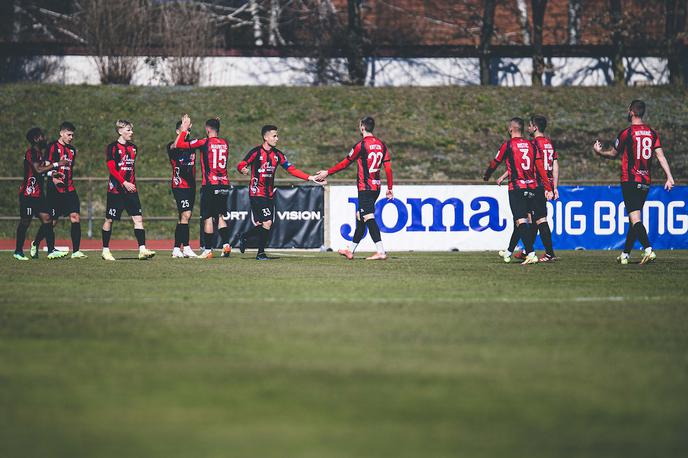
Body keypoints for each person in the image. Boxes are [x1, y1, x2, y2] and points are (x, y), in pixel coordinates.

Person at [593, 99, 674, 265]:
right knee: (633, 218)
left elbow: (614, 153)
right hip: (645, 181)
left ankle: (648, 249)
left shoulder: (627, 133)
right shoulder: (652, 133)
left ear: (631, 111)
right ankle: (625, 254)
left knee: (635, 218)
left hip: (630, 180)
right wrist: (670, 177)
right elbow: (660, 156)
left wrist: (599, 152)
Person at [236, 125, 325, 260]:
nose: (277, 138)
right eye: (274, 136)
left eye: (277, 136)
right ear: (266, 137)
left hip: (269, 194)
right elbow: (241, 164)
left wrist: (310, 177)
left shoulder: (278, 155)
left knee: (266, 224)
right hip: (256, 192)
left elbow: (292, 170)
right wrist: (242, 169)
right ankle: (260, 254)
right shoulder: (256, 152)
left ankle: (244, 236)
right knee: (267, 222)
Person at [315, 117, 393, 261]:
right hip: (376, 187)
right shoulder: (382, 145)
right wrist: (389, 188)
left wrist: (328, 172)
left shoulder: (361, 145)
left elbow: (345, 163)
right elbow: (388, 168)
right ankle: (350, 250)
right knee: (360, 216)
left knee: (368, 216)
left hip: (365, 187)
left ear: (362, 127)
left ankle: (381, 251)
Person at [483, 117, 553, 265]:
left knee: (520, 220)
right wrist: (548, 187)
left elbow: (495, 162)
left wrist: (487, 175)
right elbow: (540, 168)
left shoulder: (508, 145)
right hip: (532, 187)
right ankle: (509, 251)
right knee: (523, 221)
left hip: (516, 188)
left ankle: (531, 253)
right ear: (521, 129)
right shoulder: (531, 145)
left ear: (511, 129)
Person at [175, 114, 231, 259]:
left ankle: (207, 250)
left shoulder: (204, 142)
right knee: (219, 216)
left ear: (207, 129)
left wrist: (184, 129)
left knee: (207, 218)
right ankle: (226, 245)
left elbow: (180, 144)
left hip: (210, 184)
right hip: (224, 184)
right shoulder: (225, 143)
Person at [101, 120, 156, 261]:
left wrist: (129, 184)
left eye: (131, 130)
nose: (131, 133)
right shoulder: (112, 148)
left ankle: (142, 249)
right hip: (116, 191)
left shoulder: (133, 148)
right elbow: (112, 169)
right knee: (110, 219)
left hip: (131, 190)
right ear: (120, 131)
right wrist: (124, 182)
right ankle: (105, 250)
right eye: (128, 130)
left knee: (138, 219)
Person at [31, 122, 87, 259]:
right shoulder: (52, 147)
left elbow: (69, 169)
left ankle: (76, 251)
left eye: (72, 135)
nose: (71, 137)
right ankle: (36, 243)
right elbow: (45, 167)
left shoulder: (72, 150)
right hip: (54, 190)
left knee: (75, 217)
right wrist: (53, 177)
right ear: (61, 133)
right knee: (52, 221)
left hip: (70, 189)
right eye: (69, 134)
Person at [14, 127, 68, 260]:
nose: (45, 138)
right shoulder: (31, 152)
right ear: (36, 139)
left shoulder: (40, 155)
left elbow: (42, 170)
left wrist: (52, 173)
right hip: (28, 194)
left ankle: (51, 250)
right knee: (25, 222)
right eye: (42, 136)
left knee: (48, 219)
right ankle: (18, 251)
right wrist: (56, 164)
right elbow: (38, 170)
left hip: (38, 195)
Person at [167, 120, 198, 258]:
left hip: (191, 186)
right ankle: (186, 247)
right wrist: (184, 129)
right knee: (186, 215)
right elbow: (174, 145)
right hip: (180, 186)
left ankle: (175, 249)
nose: (187, 133)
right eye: (184, 130)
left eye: (189, 130)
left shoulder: (191, 145)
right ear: (178, 131)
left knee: (183, 218)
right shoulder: (172, 146)